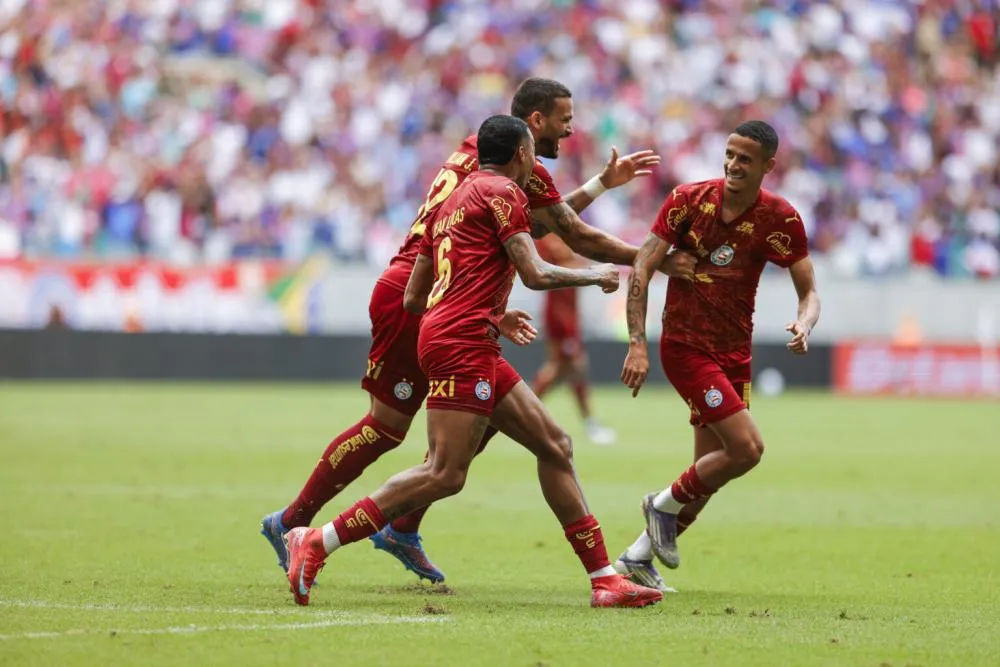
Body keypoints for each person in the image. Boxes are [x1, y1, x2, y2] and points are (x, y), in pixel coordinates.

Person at [260, 77, 696, 587]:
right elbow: (566, 233)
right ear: (533, 127)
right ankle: (295, 524)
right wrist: (651, 258)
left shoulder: (480, 153)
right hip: (428, 300)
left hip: (449, 299)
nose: (570, 131)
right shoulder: (511, 173)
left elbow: (537, 225)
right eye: (564, 120)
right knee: (390, 430)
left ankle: (406, 526)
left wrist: (600, 186)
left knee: (510, 429)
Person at [615, 120, 821, 591]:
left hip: (734, 354)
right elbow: (643, 265)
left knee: (711, 471)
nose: (733, 164)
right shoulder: (687, 200)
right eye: (729, 154)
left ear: (768, 166)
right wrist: (637, 343)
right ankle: (659, 504)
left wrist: (805, 322)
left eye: (745, 158)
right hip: (686, 346)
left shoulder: (781, 219)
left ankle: (636, 558)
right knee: (747, 449)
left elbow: (809, 291)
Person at [531, 234, 617, 445]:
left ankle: (526, 410)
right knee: (571, 366)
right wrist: (593, 270)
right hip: (560, 312)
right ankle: (525, 409)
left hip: (568, 310)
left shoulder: (563, 232)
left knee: (568, 368)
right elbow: (557, 266)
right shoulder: (547, 237)